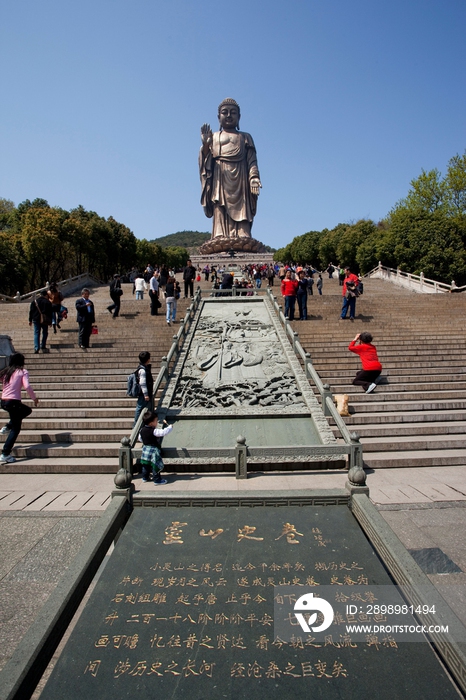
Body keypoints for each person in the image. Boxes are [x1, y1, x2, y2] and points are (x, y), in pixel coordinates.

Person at [200, 98, 261, 242]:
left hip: (241, 178)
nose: (228, 115)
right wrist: (206, 146)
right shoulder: (214, 137)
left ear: (239, 117)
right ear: (218, 117)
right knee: (219, 205)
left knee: (243, 205)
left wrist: (253, 178)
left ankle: (243, 233)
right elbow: (205, 161)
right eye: (224, 112)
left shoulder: (245, 137)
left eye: (233, 112)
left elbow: (252, 161)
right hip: (219, 177)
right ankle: (219, 234)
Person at [0, 353, 39, 463]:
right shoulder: (22, 372)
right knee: (16, 429)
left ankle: (8, 426)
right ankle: (5, 453)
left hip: (4, 401)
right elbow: (27, 386)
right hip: (14, 402)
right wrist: (34, 398)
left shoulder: (6, 372)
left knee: (26, 410)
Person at [138, 410, 173, 485]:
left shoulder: (142, 430)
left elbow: (140, 439)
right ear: (151, 423)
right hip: (153, 450)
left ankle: (145, 477)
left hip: (145, 449)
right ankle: (157, 479)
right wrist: (170, 427)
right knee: (155, 465)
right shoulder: (153, 431)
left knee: (145, 464)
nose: (157, 422)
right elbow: (163, 432)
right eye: (156, 421)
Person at [133, 351, 154, 426]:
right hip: (143, 393)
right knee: (139, 408)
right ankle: (136, 425)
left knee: (142, 407)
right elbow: (142, 383)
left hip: (145, 392)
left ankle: (144, 423)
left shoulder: (143, 368)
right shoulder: (142, 370)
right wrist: (145, 394)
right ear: (148, 359)